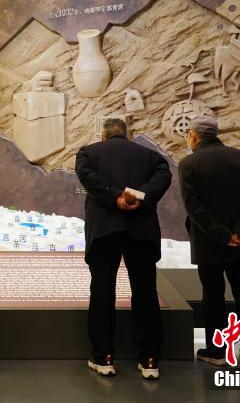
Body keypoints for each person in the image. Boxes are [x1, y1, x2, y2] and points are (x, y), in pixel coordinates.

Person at [75, 118, 172, 380]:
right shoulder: (150, 156)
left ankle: (103, 357)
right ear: (127, 135)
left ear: (103, 135)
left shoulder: (88, 153)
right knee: (145, 291)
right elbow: (164, 176)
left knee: (102, 291)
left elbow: (87, 176)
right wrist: (137, 196)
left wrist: (115, 196)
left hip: (104, 230)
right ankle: (149, 359)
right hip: (141, 230)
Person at [179, 116, 240, 366]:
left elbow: (194, 207)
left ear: (193, 136)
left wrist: (221, 235)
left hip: (209, 243)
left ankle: (217, 351)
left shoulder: (189, 163)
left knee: (213, 295)